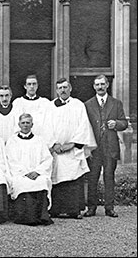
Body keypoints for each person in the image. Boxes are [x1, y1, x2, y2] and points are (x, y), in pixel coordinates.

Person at [46, 78, 97, 219]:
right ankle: (56, 210)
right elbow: (46, 127)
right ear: (56, 91)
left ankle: (73, 210)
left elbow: (83, 126)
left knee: (73, 178)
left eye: (65, 87)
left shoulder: (78, 105)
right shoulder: (50, 107)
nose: (63, 90)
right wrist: (54, 144)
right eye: (60, 88)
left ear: (70, 89)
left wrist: (72, 144)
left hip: (72, 150)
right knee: (57, 177)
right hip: (57, 151)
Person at [84, 75, 128, 218]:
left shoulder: (116, 103)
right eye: (97, 85)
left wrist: (116, 123)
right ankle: (91, 208)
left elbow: (124, 123)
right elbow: (85, 127)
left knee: (109, 177)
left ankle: (110, 208)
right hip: (94, 147)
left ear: (107, 85)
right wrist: (87, 148)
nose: (100, 87)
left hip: (110, 147)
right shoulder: (88, 104)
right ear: (93, 87)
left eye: (102, 84)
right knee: (92, 178)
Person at [6, 113, 54, 226]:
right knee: (22, 183)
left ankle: (42, 216)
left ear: (32, 124)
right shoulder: (12, 141)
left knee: (42, 182)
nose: (25, 125)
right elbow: (10, 160)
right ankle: (26, 217)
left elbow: (47, 159)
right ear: (19, 124)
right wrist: (25, 173)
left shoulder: (39, 140)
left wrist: (37, 172)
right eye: (23, 123)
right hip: (20, 174)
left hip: (37, 174)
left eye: (28, 123)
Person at [11, 75, 51, 139]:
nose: (32, 86)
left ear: (37, 86)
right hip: (23, 138)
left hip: (41, 138)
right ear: (25, 86)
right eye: (29, 84)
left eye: (34, 84)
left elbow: (48, 124)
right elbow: (15, 123)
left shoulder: (45, 103)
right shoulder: (18, 102)